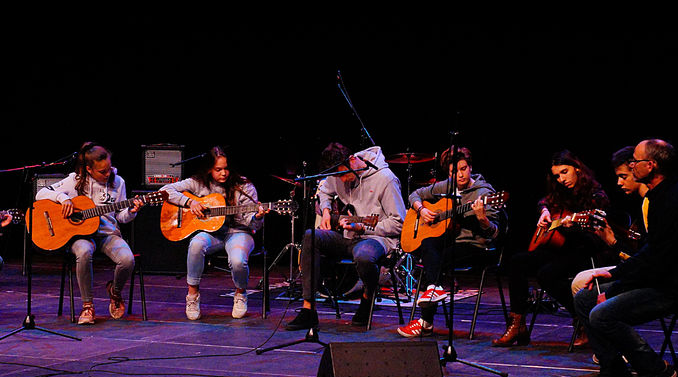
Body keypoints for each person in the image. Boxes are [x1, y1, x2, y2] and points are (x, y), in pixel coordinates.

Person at [574, 139, 678, 377]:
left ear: (651, 165)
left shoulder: (677, 201)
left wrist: (615, 288)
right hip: (657, 279)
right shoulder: (657, 198)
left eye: (635, 160)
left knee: (602, 314)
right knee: (585, 297)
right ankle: (614, 371)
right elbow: (649, 254)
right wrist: (613, 274)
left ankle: (655, 370)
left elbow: (658, 263)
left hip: (674, 287)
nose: (631, 165)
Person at [493, 150, 610, 347]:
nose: (562, 179)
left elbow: (597, 232)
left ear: (578, 169)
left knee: (546, 274)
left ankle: (581, 318)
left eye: (565, 172)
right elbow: (543, 201)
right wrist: (545, 212)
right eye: (557, 175)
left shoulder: (596, 195)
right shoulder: (559, 192)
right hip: (560, 248)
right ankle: (517, 323)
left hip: (585, 250)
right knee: (517, 261)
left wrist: (575, 226)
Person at [285, 142, 406, 331]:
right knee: (311, 236)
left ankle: (367, 297)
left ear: (352, 160)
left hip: (377, 239)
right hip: (349, 237)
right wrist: (325, 211)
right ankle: (308, 310)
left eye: (342, 174)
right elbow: (324, 190)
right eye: (337, 176)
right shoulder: (337, 175)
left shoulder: (385, 179)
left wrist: (362, 228)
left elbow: (399, 223)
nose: (341, 180)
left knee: (364, 254)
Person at [397, 146, 503, 337]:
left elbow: (494, 234)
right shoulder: (447, 185)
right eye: (454, 171)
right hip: (453, 242)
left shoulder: (485, 193)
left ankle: (425, 322)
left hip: (476, 246)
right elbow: (415, 194)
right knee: (429, 243)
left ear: (470, 167)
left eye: (463, 169)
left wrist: (483, 219)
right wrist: (421, 210)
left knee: (433, 262)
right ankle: (433, 290)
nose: (460, 175)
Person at [35, 142, 143, 325]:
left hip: (108, 234)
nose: (108, 174)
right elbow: (41, 193)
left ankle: (115, 292)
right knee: (83, 252)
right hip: (81, 236)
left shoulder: (118, 182)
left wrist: (132, 211)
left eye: (109, 169)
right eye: (102, 171)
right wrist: (63, 198)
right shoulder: (75, 180)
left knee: (127, 260)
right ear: (89, 169)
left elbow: (121, 217)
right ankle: (87, 306)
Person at [161, 146, 267, 321]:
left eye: (226, 168)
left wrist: (257, 216)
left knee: (238, 260)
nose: (224, 173)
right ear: (209, 169)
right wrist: (189, 203)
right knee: (196, 244)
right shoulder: (199, 182)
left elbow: (254, 224)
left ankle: (240, 293)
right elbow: (166, 191)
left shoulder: (244, 186)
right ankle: (192, 295)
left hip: (238, 232)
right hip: (212, 233)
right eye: (218, 169)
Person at [570, 146, 648, 296]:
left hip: (652, 276)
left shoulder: (651, 204)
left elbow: (642, 260)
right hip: (639, 267)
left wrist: (612, 242)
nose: (618, 183)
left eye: (623, 177)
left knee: (581, 287)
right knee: (579, 279)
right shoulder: (640, 203)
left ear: (637, 171)